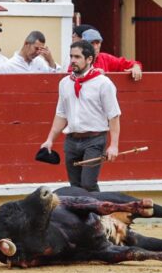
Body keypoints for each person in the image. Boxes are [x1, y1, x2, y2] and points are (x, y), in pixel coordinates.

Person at [40, 39, 122, 192]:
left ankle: (97, 214)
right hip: (71, 140)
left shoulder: (103, 83)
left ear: (89, 59)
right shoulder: (65, 83)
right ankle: (84, 216)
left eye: (77, 57)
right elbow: (61, 114)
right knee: (75, 186)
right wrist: (50, 140)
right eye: (71, 56)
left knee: (88, 184)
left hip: (95, 139)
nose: (72, 61)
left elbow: (114, 116)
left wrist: (114, 145)